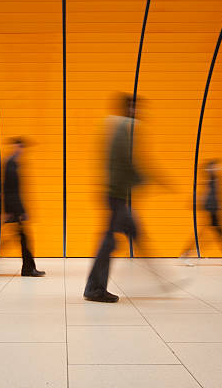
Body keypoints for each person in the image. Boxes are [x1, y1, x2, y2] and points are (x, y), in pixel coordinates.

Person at [83, 94, 142, 303]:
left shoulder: (118, 128)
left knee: (112, 240)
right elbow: (125, 163)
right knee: (112, 241)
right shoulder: (121, 130)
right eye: (135, 108)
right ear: (129, 109)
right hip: (115, 195)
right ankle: (94, 289)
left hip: (115, 194)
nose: (138, 112)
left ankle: (94, 288)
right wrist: (142, 178)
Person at [180, 159, 222, 266]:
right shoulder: (210, 181)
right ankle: (185, 255)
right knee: (215, 236)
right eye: (214, 166)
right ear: (209, 169)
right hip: (212, 212)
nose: (217, 168)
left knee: (220, 235)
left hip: (214, 212)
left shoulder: (215, 180)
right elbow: (207, 196)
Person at [3, 138, 45, 277]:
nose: (21, 150)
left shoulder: (14, 164)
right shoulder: (10, 165)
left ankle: (28, 268)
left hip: (14, 209)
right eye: (19, 146)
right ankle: (28, 269)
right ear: (14, 147)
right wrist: (17, 211)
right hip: (14, 210)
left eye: (22, 147)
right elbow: (9, 190)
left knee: (22, 239)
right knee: (24, 239)